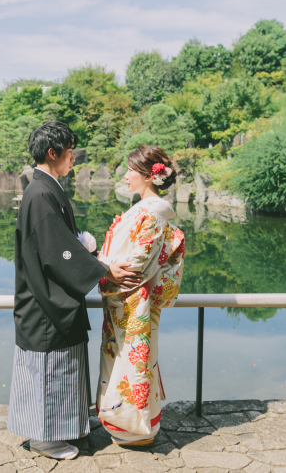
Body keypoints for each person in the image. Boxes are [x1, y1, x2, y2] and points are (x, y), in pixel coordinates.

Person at [7, 120, 142, 460]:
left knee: (59, 370)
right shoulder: (39, 194)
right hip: (45, 305)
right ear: (52, 153)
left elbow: (62, 246)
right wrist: (103, 268)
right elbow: (57, 253)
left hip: (51, 297)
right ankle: (44, 439)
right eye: (70, 153)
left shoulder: (45, 188)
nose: (73, 160)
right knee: (50, 371)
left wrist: (92, 256)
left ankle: (64, 428)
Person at [96, 145, 186, 446]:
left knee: (133, 363)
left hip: (134, 302)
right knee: (124, 361)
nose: (125, 176)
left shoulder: (153, 213)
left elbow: (135, 265)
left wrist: (101, 266)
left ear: (149, 176)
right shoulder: (145, 210)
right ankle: (126, 425)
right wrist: (103, 262)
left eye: (130, 170)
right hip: (127, 302)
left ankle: (135, 429)